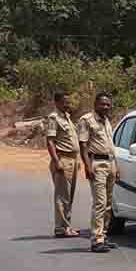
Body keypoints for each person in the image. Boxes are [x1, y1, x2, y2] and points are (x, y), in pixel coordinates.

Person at [78, 93, 118, 253]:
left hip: (110, 163)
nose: (106, 107)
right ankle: (96, 239)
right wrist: (87, 166)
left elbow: (110, 146)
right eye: (103, 104)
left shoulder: (106, 120)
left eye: (108, 104)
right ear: (95, 104)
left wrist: (116, 166)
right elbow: (83, 145)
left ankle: (103, 235)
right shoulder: (87, 120)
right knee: (100, 203)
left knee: (108, 204)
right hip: (97, 164)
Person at [45, 91, 80, 238]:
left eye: (68, 102)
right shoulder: (54, 118)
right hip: (62, 159)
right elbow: (50, 141)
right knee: (62, 196)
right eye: (65, 102)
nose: (68, 104)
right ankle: (61, 228)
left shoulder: (67, 117)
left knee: (69, 195)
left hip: (72, 159)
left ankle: (66, 226)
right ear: (57, 102)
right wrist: (56, 161)